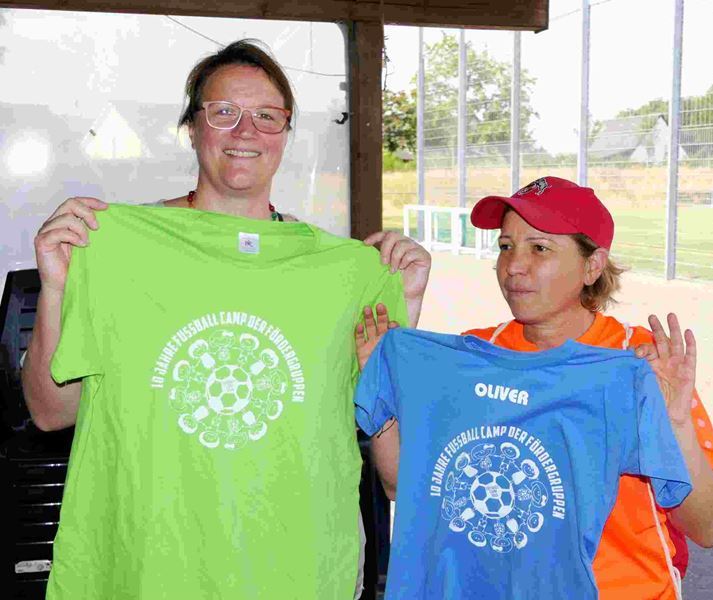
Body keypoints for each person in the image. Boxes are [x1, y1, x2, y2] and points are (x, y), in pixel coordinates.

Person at [21, 39, 431, 600]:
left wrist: (403, 302)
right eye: (224, 112)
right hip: (147, 568)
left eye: (267, 116)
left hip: (292, 570)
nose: (246, 132)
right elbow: (49, 413)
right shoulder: (116, 249)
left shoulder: (344, 271)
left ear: (286, 133)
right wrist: (57, 287)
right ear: (193, 126)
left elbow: (393, 453)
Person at [356, 176, 713, 599]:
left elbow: (709, 527)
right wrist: (382, 400)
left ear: (593, 266)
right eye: (505, 247)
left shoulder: (641, 365)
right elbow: (400, 485)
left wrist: (676, 423)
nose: (514, 266)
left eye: (540, 248)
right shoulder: (480, 353)